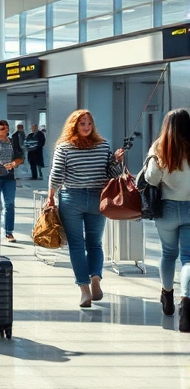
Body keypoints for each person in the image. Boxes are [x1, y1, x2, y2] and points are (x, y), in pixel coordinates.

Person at [48, 110, 124, 308]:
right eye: (82, 123)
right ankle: (95, 278)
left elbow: (57, 175)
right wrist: (115, 161)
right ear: (75, 125)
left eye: (88, 123)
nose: (86, 127)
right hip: (98, 198)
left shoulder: (64, 147)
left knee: (76, 245)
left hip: (72, 198)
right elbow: (112, 174)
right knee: (95, 243)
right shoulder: (103, 144)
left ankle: (85, 289)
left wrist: (50, 196)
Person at [144, 108, 190, 330]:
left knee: (168, 254)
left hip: (168, 209)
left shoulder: (160, 146)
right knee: (188, 258)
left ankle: (167, 296)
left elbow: (151, 179)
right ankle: (187, 303)